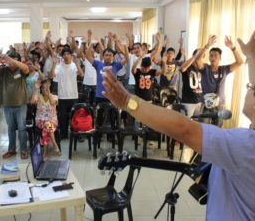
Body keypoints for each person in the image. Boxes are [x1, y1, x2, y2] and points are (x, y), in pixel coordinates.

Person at [101, 31, 255, 221]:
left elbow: (184, 129)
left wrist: (128, 102)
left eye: (250, 87)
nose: (248, 89)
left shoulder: (245, 146)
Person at [0, 52, 29, 159]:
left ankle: (24, 150)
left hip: (21, 104)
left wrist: (13, 61)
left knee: (22, 128)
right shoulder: (3, 70)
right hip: (7, 104)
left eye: (14, 60)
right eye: (9, 60)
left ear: (18, 61)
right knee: (11, 128)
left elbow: (26, 68)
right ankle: (11, 150)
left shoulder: (21, 70)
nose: (11, 63)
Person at [196, 36, 243, 108]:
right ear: (209, 58)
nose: (213, 58)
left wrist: (233, 48)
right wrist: (207, 46)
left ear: (220, 58)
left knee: (220, 119)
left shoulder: (224, 69)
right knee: (204, 119)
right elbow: (197, 60)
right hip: (205, 104)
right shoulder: (205, 68)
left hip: (220, 105)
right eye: (211, 56)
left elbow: (240, 62)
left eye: (215, 55)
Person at [179, 35, 217, 118]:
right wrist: (195, 56)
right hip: (188, 103)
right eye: (199, 56)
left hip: (199, 102)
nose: (200, 58)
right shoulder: (188, 66)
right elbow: (182, 69)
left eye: (202, 56)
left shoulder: (203, 69)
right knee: (185, 126)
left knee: (196, 125)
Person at [31, 79, 60, 159]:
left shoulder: (54, 97)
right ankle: (55, 144)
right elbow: (32, 101)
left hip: (52, 121)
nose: (45, 89)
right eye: (43, 88)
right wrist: (36, 88)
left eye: (47, 87)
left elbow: (52, 103)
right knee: (47, 125)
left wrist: (49, 93)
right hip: (40, 121)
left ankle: (45, 152)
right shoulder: (39, 96)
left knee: (47, 127)